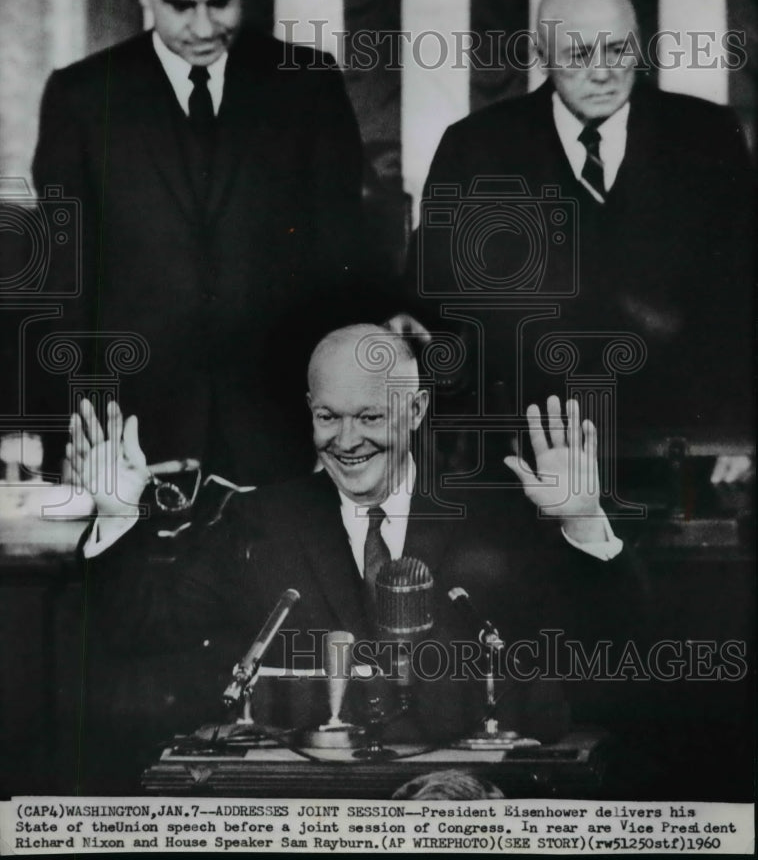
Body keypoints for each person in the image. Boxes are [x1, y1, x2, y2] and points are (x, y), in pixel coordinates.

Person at [73, 323, 647, 770]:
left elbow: (612, 648)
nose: (347, 441)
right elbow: (137, 631)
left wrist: (584, 520)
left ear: (417, 410)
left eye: (370, 416)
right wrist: (118, 517)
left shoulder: (492, 520)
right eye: (328, 417)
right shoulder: (260, 521)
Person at [30, 0, 365, 485]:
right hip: (131, 430)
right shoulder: (80, 99)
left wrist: (337, 422)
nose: (204, 27)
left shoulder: (307, 88)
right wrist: (77, 436)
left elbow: (339, 266)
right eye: (181, 6)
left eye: (222, 2)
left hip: (283, 427)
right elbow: (63, 286)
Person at [408, 0, 753, 483]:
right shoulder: (476, 148)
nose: (602, 73)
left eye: (618, 50)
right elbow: (430, 306)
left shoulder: (708, 138)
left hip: (687, 447)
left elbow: (743, 301)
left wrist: (741, 432)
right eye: (577, 55)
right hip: (521, 450)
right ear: (540, 53)